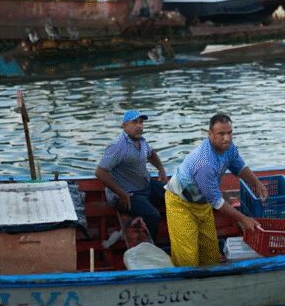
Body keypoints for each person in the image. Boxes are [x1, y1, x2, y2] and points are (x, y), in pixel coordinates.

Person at [164, 113, 268, 267]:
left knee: (211, 255)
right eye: (221, 134)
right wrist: (244, 219)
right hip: (181, 203)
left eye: (229, 133)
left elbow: (239, 167)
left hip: (202, 202)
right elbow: (217, 202)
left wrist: (257, 183)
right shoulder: (204, 162)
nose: (227, 138)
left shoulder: (229, 148)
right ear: (210, 134)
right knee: (188, 258)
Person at [95, 110, 168, 241]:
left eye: (141, 122)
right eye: (134, 122)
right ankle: (149, 250)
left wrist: (161, 168)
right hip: (126, 194)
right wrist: (121, 193)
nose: (139, 126)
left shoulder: (142, 141)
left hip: (144, 186)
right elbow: (100, 172)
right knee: (153, 215)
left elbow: (151, 154)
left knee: (174, 196)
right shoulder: (117, 146)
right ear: (124, 126)